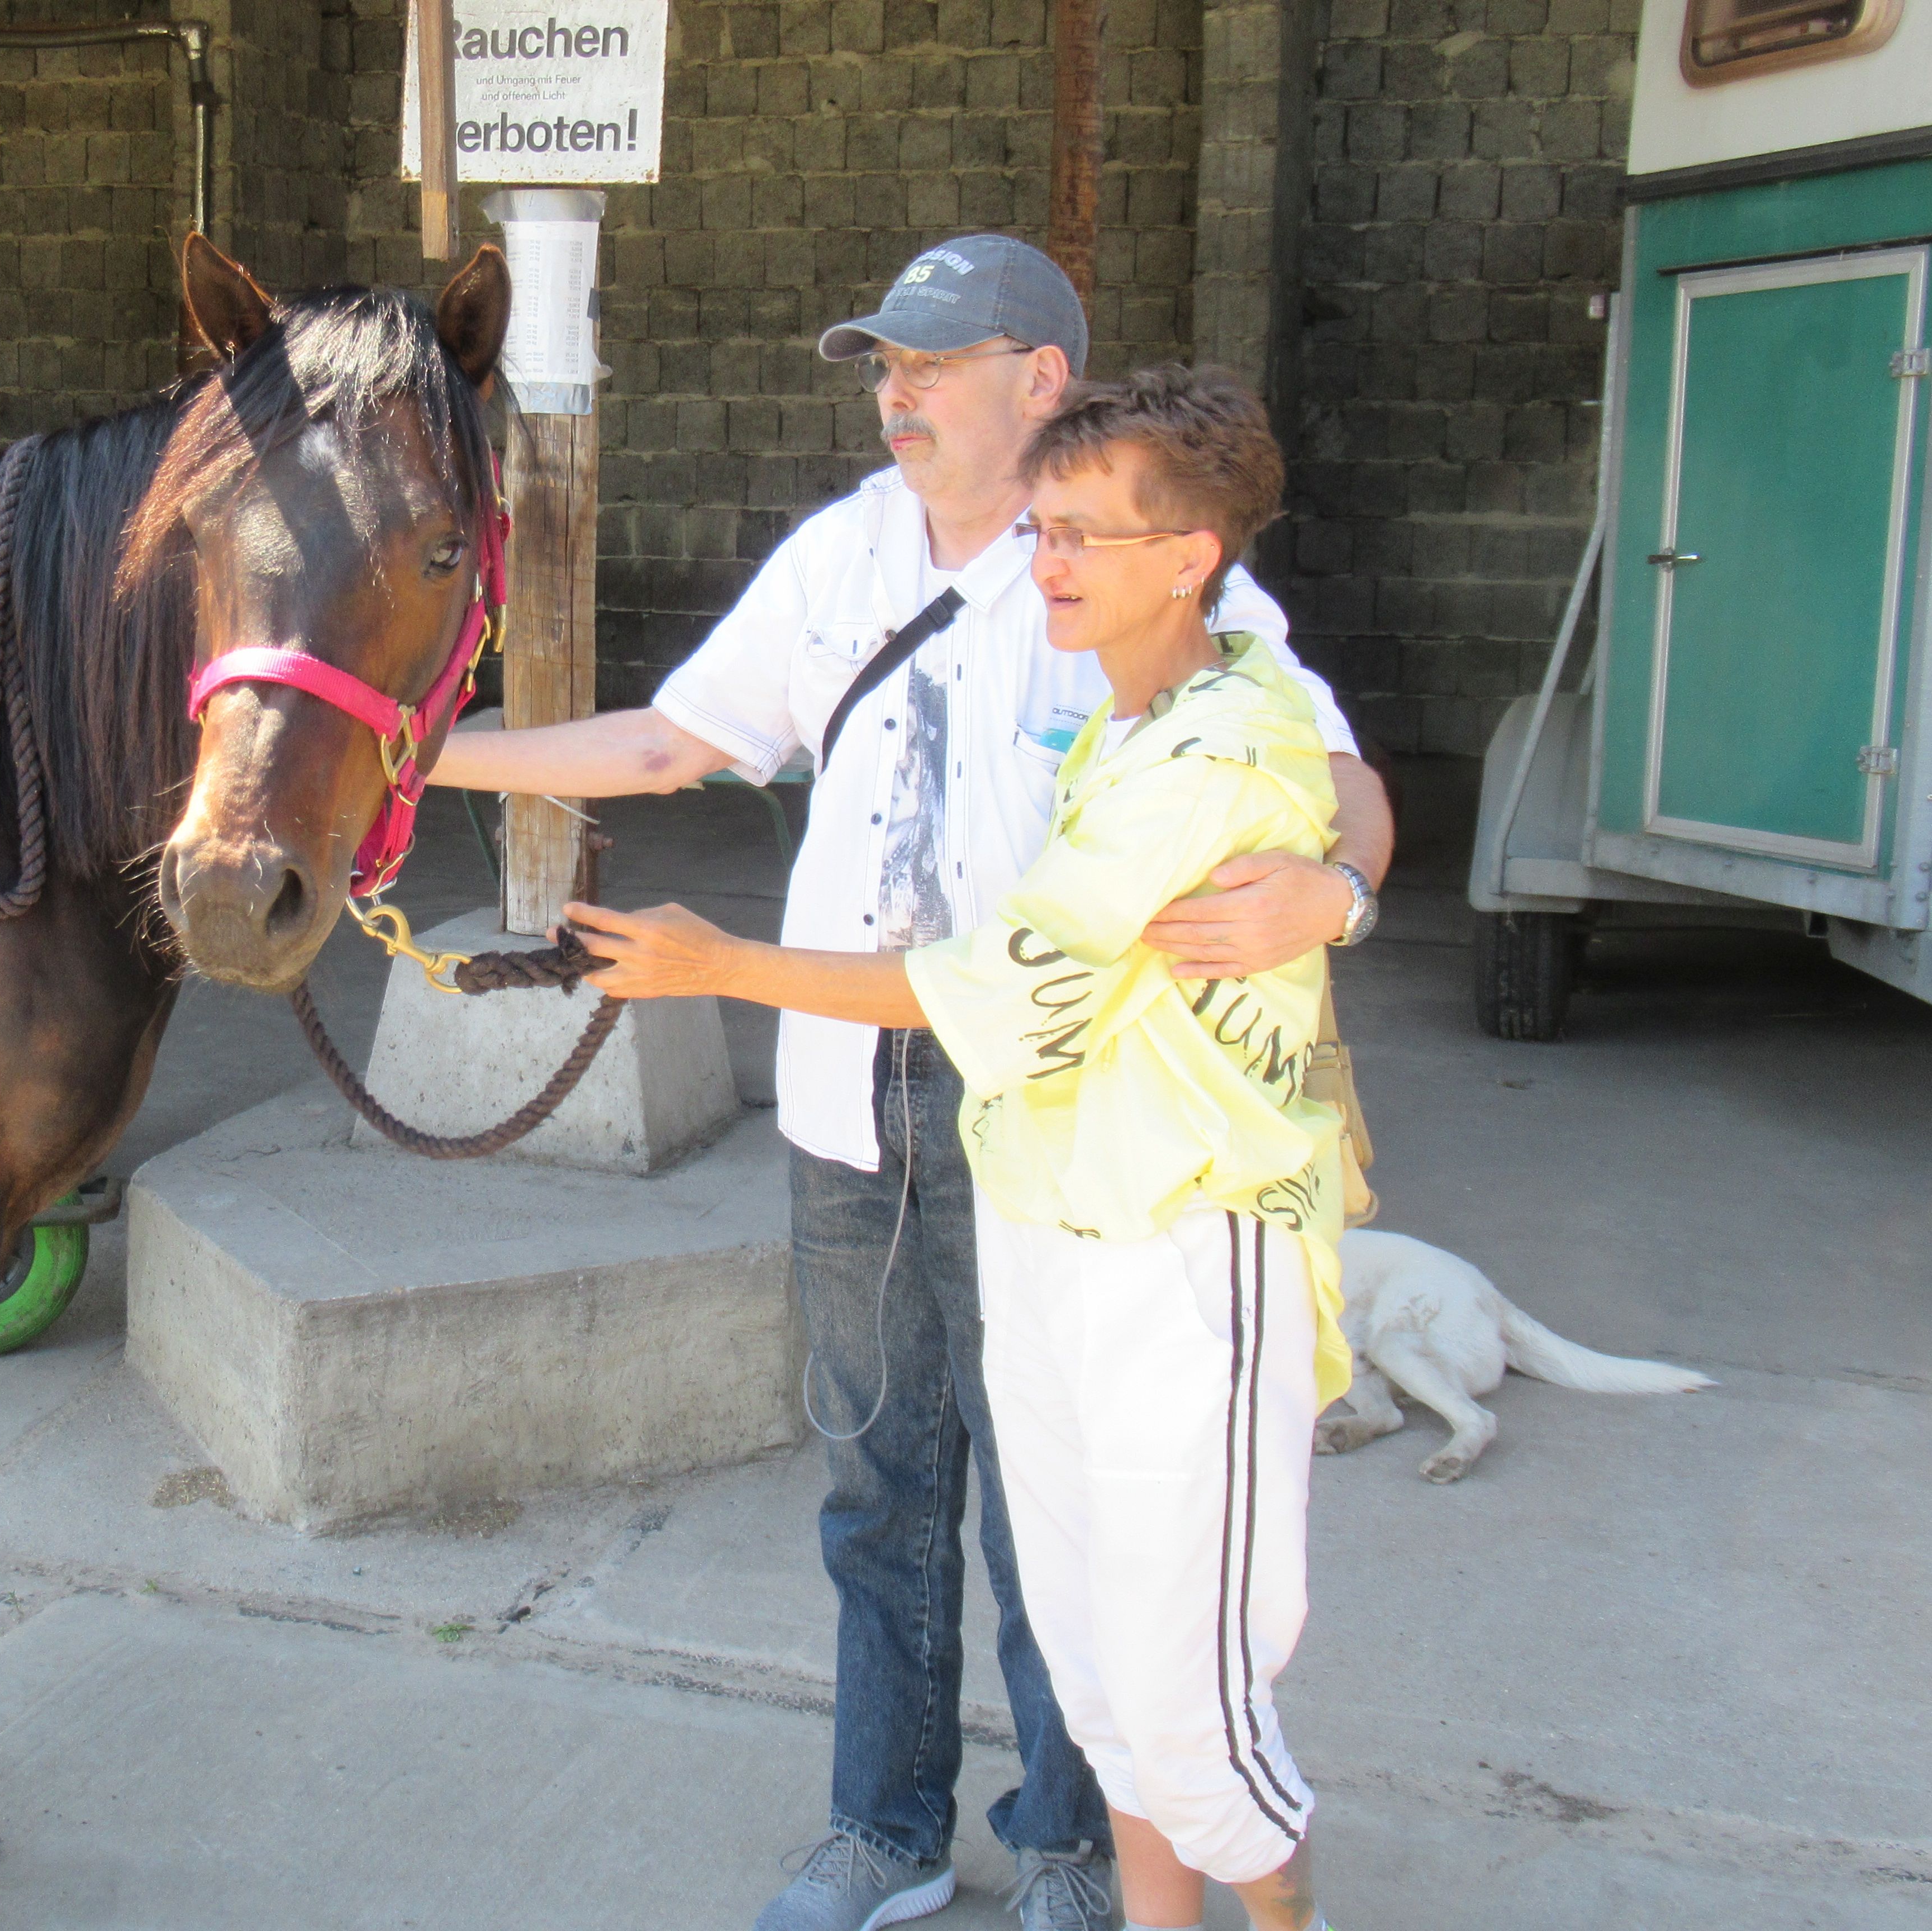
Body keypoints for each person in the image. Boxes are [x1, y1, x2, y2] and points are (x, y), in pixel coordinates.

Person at [427, 238, 1389, 1931]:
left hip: (1047, 1107)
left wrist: (1343, 890)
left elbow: (1335, 773)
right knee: (877, 1472)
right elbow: (668, 742)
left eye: (936, 362)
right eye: (883, 362)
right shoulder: (842, 557)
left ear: (1043, 379)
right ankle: (884, 1827)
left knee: (1053, 1494)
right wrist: (409, 744)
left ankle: (1080, 1846)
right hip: (847, 1093)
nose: (897, 391)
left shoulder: (1142, 564)